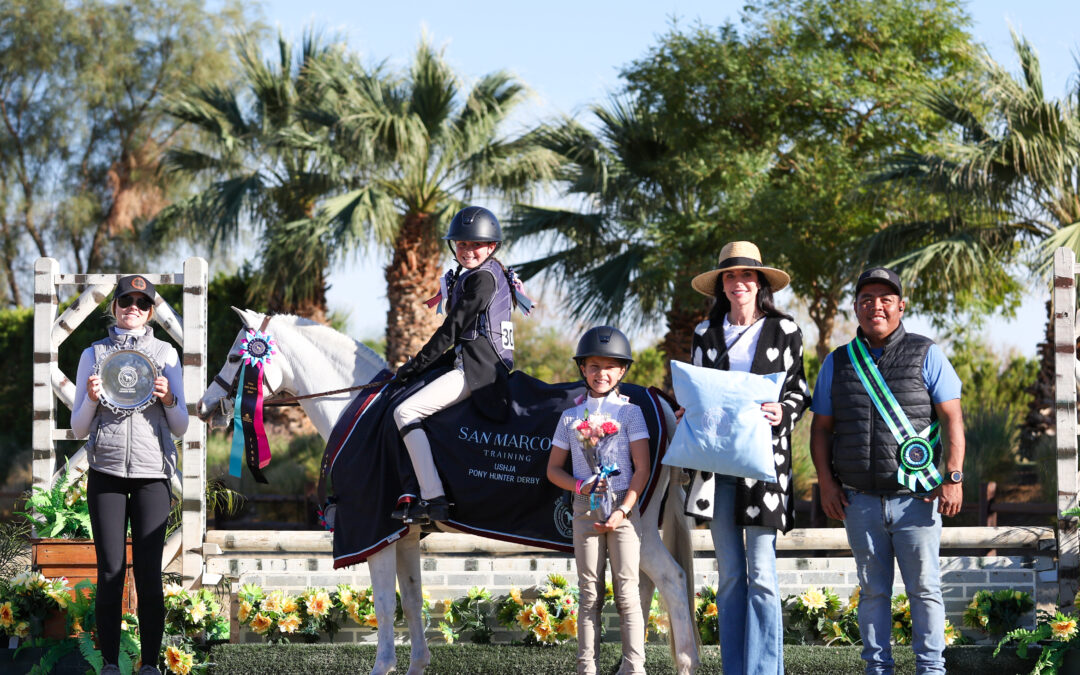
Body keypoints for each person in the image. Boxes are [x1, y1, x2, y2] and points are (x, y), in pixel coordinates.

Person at [809, 266, 965, 675]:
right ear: (856, 308)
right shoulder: (838, 362)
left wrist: (953, 477)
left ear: (900, 305)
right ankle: (877, 670)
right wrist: (826, 483)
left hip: (918, 499)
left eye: (884, 298)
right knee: (873, 593)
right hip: (859, 500)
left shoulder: (927, 352)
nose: (874, 306)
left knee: (924, 590)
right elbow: (821, 428)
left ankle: (931, 669)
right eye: (865, 299)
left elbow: (953, 420)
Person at [684, 241, 810, 675]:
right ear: (722, 284)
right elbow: (698, 392)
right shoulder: (705, 334)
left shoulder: (786, 330)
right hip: (716, 470)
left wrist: (784, 410)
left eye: (747, 276)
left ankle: (764, 670)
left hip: (766, 467)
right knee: (731, 577)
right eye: (731, 276)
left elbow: (799, 391)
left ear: (760, 283)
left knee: (762, 574)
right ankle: (734, 670)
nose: (739, 283)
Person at [71, 275, 188, 675]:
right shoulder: (93, 354)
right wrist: (88, 399)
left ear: (151, 311)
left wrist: (169, 398)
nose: (132, 308)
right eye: (125, 301)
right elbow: (78, 429)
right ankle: (108, 664)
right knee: (110, 572)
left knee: (150, 572)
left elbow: (182, 425)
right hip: (105, 472)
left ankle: (151, 664)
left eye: (141, 302)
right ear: (114, 307)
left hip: (152, 475)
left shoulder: (167, 354)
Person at [391, 205, 516, 522]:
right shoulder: (484, 274)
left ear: (491, 247)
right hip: (472, 362)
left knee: (405, 412)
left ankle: (434, 499)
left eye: (475, 245)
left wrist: (417, 364)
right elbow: (463, 337)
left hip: (478, 371)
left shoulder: (483, 279)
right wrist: (424, 368)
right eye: (462, 244)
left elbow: (453, 328)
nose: (468, 251)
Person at [546, 326, 651, 675]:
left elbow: (641, 468)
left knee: (626, 593)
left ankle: (634, 667)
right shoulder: (569, 418)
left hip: (623, 510)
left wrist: (623, 510)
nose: (601, 373)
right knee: (589, 594)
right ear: (582, 369)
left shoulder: (630, 414)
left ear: (622, 371)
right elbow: (553, 470)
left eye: (609, 367)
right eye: (593, 366)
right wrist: (581, 488)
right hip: (585, 512)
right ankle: (585, 667)